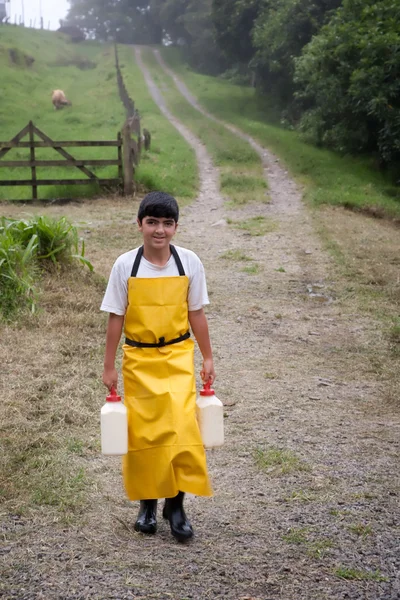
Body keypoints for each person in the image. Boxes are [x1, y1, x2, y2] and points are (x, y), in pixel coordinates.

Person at [101, 191, 215, 542]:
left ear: (176, 227)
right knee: (146, 436)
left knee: (182, 430)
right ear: (139, 225)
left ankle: (175, 505)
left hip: (178, 356)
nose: (159, 231)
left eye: (167, 223)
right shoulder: (125, 266)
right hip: (139, 360)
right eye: (152, 222)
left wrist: (208, 357)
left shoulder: (190, 262)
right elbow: (115, 318)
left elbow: (196, 312)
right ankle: (147, 504)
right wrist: (109, 366)